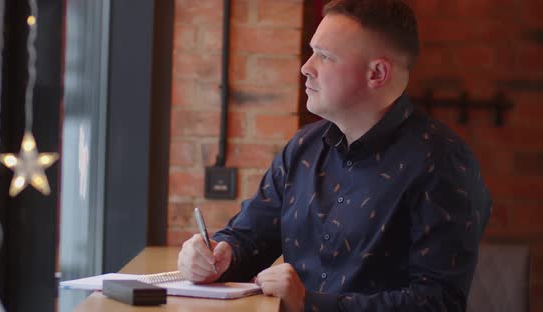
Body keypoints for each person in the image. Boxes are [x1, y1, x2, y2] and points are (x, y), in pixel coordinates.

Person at [177, 0, 491, 311]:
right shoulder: (302, 149)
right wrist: (216, 256)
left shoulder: (442, 162)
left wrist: (310, 304)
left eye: (324, 56)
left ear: (377, 74)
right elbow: (249, 238)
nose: (306, 67)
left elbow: (438, 303)